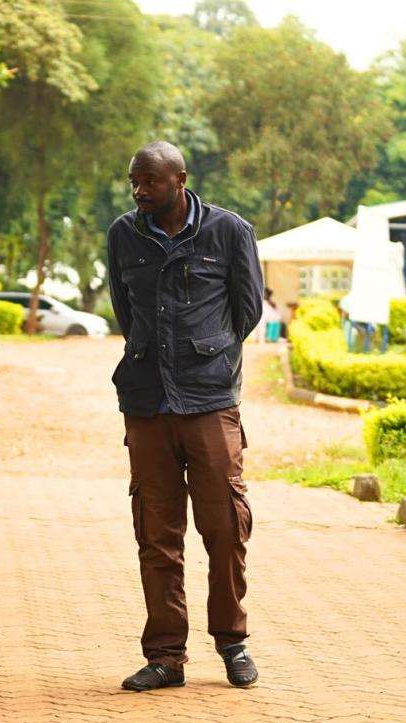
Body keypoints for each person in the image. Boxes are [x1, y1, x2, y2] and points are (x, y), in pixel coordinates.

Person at [106, 141, 263, 692]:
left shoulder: (228, 232)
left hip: (209, 402)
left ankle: (232, 643)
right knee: (156, 532)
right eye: (134, 181)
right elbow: (124, 309)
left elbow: (247, 311)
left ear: (179, 179)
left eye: (149, 180)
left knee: (224, 528)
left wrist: (207, 355)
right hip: (147, 403)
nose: (139, 191)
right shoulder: (124, 233)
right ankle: (166, 657)